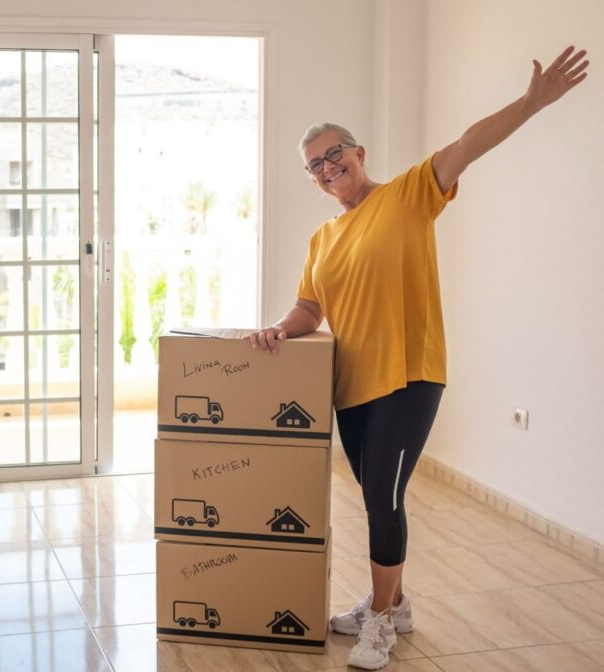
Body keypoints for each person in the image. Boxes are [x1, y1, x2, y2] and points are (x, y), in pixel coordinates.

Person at [247, 46, 589, 670]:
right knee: (377, 495)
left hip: (409, 375)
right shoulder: (323, 237)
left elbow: (467, 144)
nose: (327, 168)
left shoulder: (407, 194)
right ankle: (395, 605)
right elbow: (309, 307)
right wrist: (279, 329)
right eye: (314, 166)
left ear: (359, 153)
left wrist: (532, 103)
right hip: (350, 386)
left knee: (385, 498)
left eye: (333, 154)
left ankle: (381, 620)